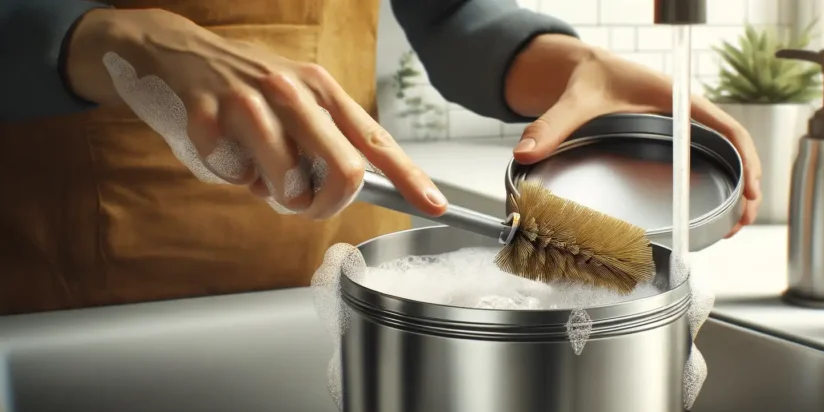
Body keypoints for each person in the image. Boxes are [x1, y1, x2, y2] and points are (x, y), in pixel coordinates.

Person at [0, 0, 762, 316]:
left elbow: (454, 14)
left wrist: (567, 63)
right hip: (62, 304)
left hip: (318, 283)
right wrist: (98, 35)